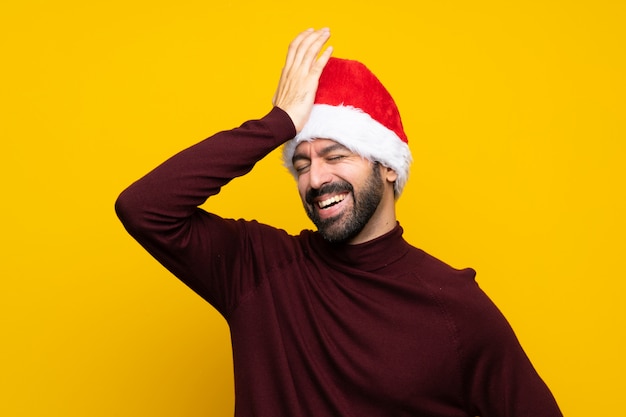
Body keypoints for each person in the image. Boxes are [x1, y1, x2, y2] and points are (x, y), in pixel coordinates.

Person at [116, 28, 562, 417]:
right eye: (302, 162)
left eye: (335, 156)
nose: (316, 178)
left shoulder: (454, 307)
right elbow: (145, 207)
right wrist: (278, 124)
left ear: (387, 166)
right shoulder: (257, 268)